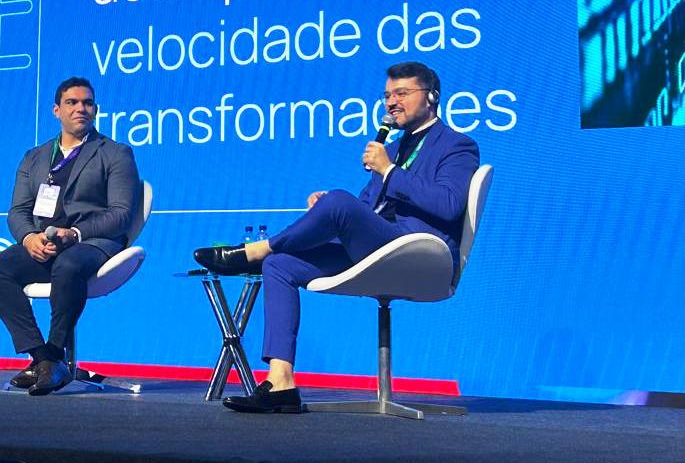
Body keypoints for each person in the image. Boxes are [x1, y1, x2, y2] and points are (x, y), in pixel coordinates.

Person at [193, 61, 479, 413]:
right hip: (379, 250)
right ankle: (281, 382)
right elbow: (368, 207)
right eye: (387, 95)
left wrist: (387, 171)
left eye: (402, 93)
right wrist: (329, 207)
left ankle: (256, 250)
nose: (391, 102)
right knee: (281, 265)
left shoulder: (457, 145)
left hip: (421, 255)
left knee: (335, 206)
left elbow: (448, 204)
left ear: (431, 97)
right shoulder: (394, 148)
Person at [0, 76, 141, 395]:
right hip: (44, 243)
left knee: (68, 265)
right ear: (57, 110)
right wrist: (28, 238)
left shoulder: (116, 153)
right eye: (72, 102)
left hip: (92, 243)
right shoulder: (35, 157)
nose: (81, 108)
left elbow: (121, 213)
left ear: (95, 110)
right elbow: (18, 211)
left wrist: (76, 233)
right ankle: (43, 358)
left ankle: (54, 354)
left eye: (87, 103)